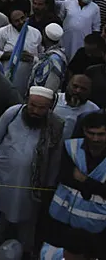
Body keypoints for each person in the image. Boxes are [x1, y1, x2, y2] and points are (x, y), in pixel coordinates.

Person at [0, 86, 64, 254]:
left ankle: (25, 251)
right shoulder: (13, 113)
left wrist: (48, 186)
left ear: (49, 108)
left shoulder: (55, 125)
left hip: (32, 183)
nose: (35, 111)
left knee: (28, 221)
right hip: (4, 175)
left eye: (41, 108)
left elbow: (55, 158)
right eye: (32, 105)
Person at [45, 111, 106, 260]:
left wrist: (84, 180)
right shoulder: (71, 146)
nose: (96, 139)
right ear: (84, 130)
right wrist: (96, 187)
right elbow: (65, 177)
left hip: (94, 224)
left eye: (101, 134)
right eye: (91, 133)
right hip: (61, 216)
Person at [54, 74, 99, 140]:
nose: (78, 91)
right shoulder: (53, 100)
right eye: (75, 86)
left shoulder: (94, 110)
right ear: (67, 85)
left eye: (83, 89)